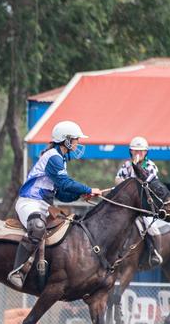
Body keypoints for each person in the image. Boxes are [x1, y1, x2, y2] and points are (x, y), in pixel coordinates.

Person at [7, 120, 101, 288]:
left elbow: (62, 194)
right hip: (30, 202)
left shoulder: (61, 159)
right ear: (66, 140)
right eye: (75, 139)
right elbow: (65, 183)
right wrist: (88, 188)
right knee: (37, 226)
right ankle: (18, 270)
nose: (77, 143)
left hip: (45, 204)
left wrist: (81, 194)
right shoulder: (54, 158)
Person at [114, 136, 170, 265]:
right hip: (127, 205)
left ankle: (155, 253)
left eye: (141, 151)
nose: (138, 153)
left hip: (142, 206)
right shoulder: (126, 165)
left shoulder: (150, 166)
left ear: (146, 152)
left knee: (152, 229)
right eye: (135, 151)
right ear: (130, 151)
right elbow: (118, 179)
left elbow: (147, 184)